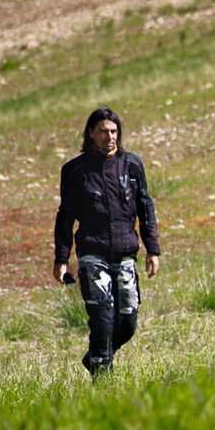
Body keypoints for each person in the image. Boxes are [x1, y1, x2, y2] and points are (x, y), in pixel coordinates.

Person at [54, 108, 161, 378]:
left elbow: (145, 208)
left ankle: (96, 357)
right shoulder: (75, 170)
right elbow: (65, 216)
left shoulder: (132, 165)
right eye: (103, 131)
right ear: (91, 133)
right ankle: (103, 380)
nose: (109, 137)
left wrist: (153, 249)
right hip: (92, 255)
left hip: (126, 254)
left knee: (128, 322)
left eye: (113, 132)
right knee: (102, 321)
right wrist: (62, 259)